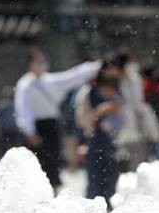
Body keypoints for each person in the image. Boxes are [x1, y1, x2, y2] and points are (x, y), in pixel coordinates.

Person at [14, 49, 101, 189]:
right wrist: (29, 131)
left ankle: (52, 193)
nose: (41, 64)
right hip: (35, 128)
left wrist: (97, 65)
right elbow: (23, 109)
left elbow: (74, 76)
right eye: (38, 61)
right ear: (30, 64)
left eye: (43, 61)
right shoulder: (25, 84)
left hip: (51, 125)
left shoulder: (50, 80)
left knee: (53, 162)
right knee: (35, 165)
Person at [79, 62, 125, 208]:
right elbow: (82, 120)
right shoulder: (88, 92)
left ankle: (109, 212)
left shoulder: (119, 93)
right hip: (94, 141)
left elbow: (125, 118)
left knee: (111, 181)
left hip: (113, 142)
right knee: (94, 181)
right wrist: (101, 111)